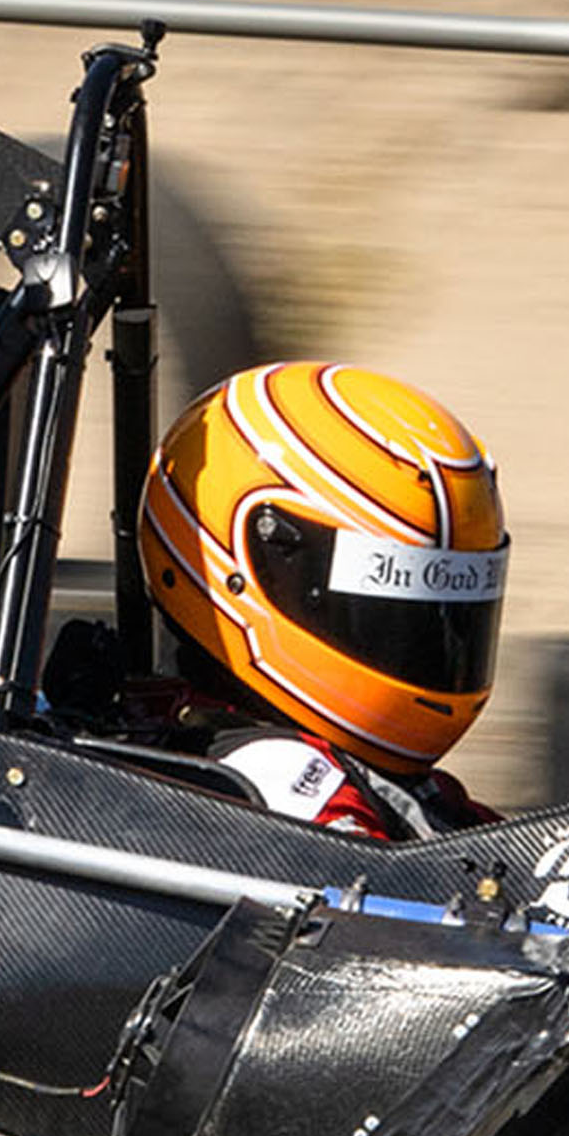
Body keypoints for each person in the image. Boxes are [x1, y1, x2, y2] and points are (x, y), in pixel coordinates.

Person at [129, 359, 506, 839]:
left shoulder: (413, 790)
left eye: (452, 618)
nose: (434, 648)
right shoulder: (281, 784)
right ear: (250, 570)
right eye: (388, 616)